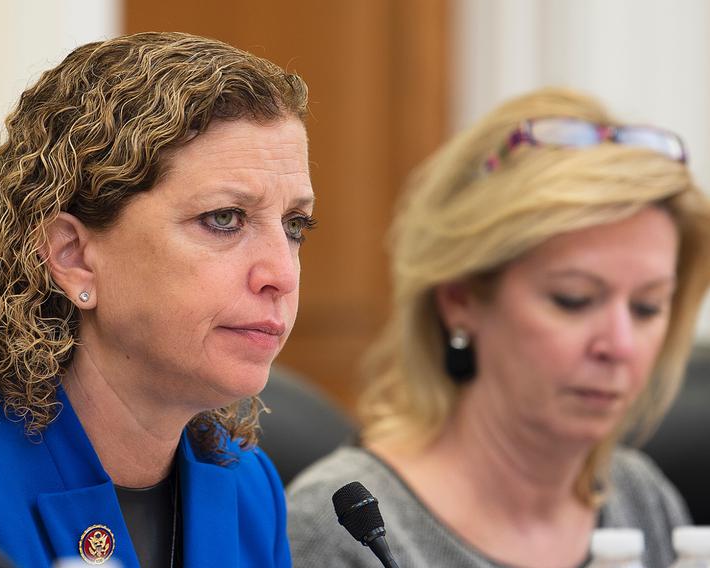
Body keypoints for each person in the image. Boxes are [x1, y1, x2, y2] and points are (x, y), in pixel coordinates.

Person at [0, 31, 313, 567]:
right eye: (223, 219)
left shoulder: (247, 488)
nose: (281, 272)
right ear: (73, 257)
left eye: (295, 225)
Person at [286, 88, 710, 568]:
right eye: (573, 300)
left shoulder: (641, 497)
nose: (620, 345)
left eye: (648, 307)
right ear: (460, 300)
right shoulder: (344, 528)